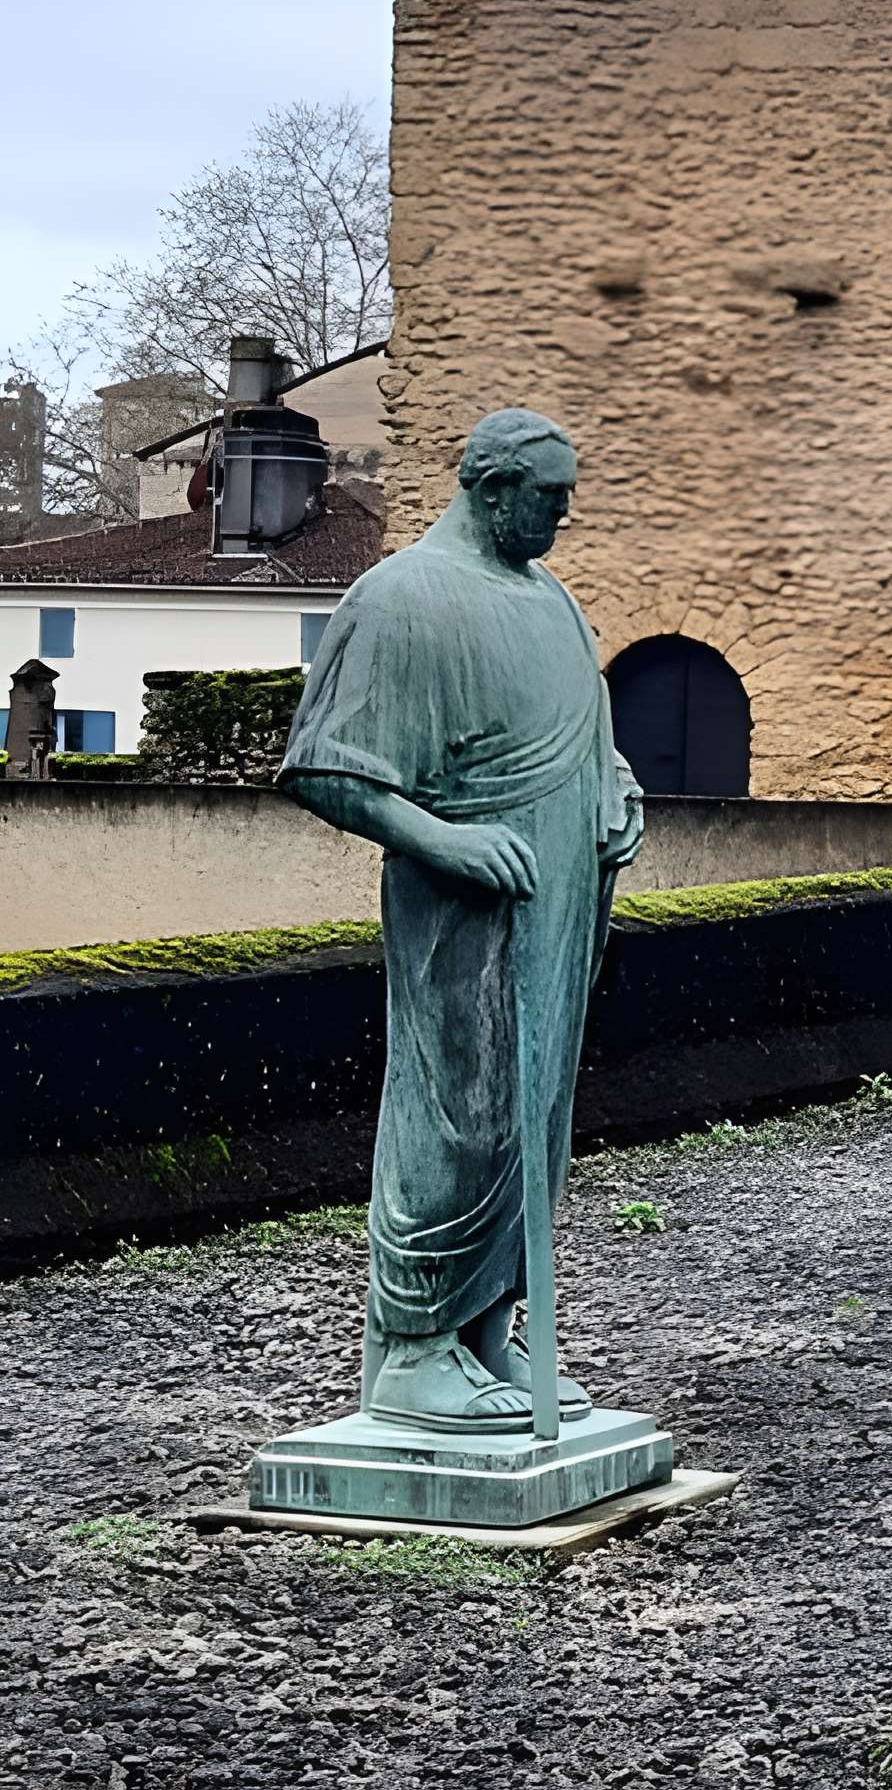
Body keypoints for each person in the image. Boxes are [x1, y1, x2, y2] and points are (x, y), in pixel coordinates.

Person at [281, 409, 641, 1432]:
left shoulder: (554, 602)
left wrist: (617, 794)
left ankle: (486, 1324)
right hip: (463, 908)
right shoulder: (400, 598)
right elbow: (328, 771)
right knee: (457, 1111)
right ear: (491, 488)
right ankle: (412, 1346)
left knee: (536, 1113)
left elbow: (584, 736)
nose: (563, 519)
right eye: (550, 499)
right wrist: (446, 843)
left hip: (559, 899)